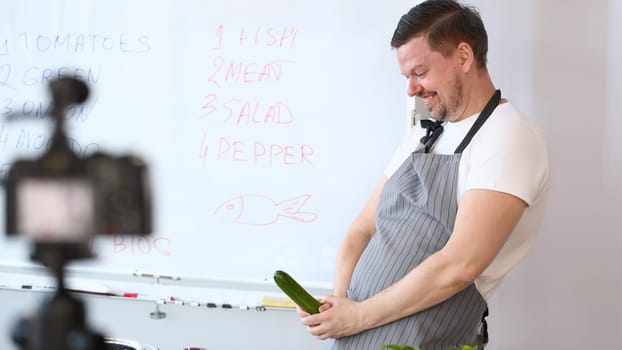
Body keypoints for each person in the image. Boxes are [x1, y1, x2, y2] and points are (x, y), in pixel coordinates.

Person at [298, 0, 550, 349]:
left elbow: (460, 265)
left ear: (463, 57)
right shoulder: (422, 135)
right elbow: (362, 228)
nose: (411, 89)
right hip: (355, 335)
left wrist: (356, 316)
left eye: (420, 73)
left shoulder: (508, 137)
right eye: (407, 77)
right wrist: (339, 305)